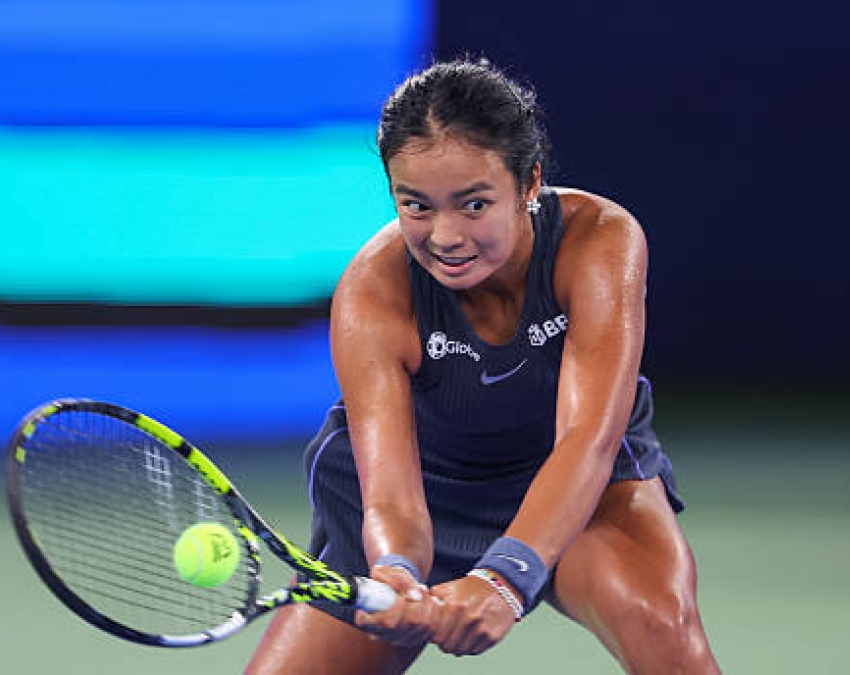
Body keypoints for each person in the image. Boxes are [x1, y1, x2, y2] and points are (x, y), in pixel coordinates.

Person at [247, 59, 720, 674]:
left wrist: (504, 577)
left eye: (473, 204)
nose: (445, 236)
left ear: (529, 183)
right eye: (416, 205)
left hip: (580, 485)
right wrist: (395, 569)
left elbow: (588, 440)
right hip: (427, 492)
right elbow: (390, 495)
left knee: (664, 632)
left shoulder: (599, 239)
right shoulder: (373, 291)